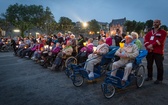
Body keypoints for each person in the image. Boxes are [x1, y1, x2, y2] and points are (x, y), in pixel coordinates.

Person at [144, 19, 167, 84]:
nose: (155, 23)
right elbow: (146, 40)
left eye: (157, 22)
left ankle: (159, 79)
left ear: (160, 24)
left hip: (158, 52)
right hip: (150, 51)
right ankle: (149, 76)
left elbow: (161, 41)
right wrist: (148, 46)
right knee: (149, 65)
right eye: (154, 22)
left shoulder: (163, 32)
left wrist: (152, 45)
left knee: (159, 66)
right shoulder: (149, 33)